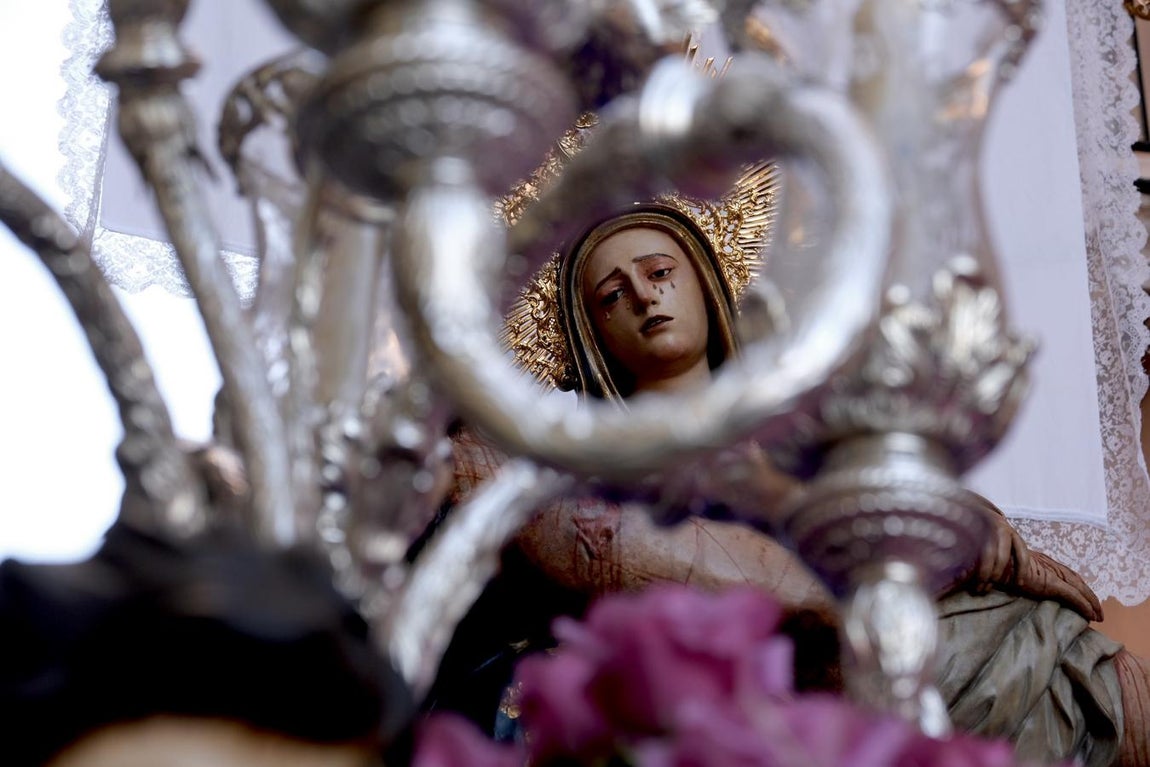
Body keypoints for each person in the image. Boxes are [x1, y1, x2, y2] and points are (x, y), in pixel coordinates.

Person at [440, 166, 1150, 766]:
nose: (645, 296)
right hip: (797, 660)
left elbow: (902, 492)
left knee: (1093, 669)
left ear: (705, 277)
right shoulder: (600, 454)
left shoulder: (802, 421)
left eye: (659, 272)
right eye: (613, 295)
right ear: (593, 333)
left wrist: (976, 533)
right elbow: (696, 568)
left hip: (921, 614)